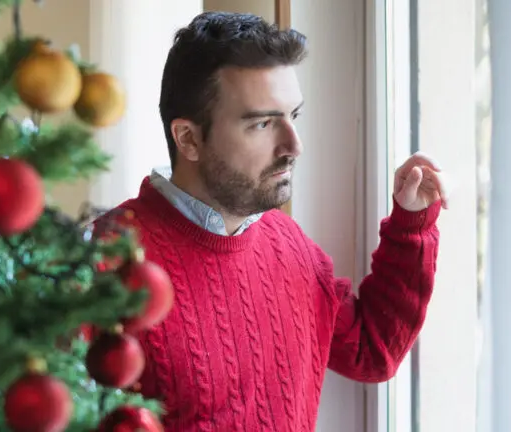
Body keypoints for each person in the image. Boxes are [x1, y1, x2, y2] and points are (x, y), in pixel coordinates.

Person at [103, 11, 448, 431]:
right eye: (263, 123)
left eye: (294, 116)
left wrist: (410, 222)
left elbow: (372, 351)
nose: (293, 145)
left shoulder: (289, 245)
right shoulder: (104, 262)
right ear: (189, 138)